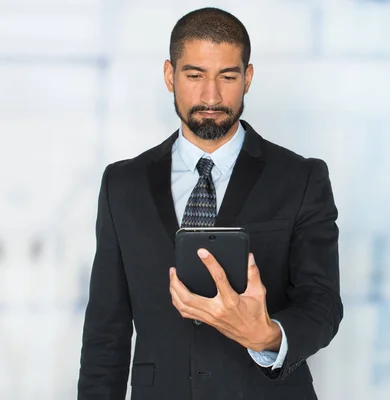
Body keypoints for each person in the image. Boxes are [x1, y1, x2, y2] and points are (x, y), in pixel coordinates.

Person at [77, 7, 343, 400]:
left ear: (247, 78)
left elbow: (322, 305)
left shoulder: (301, 178)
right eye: (195, 75)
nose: (211, 96)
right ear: (170, 75)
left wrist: (267, 335)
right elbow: (106, 331)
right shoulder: (122, 184)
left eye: (228, 76)